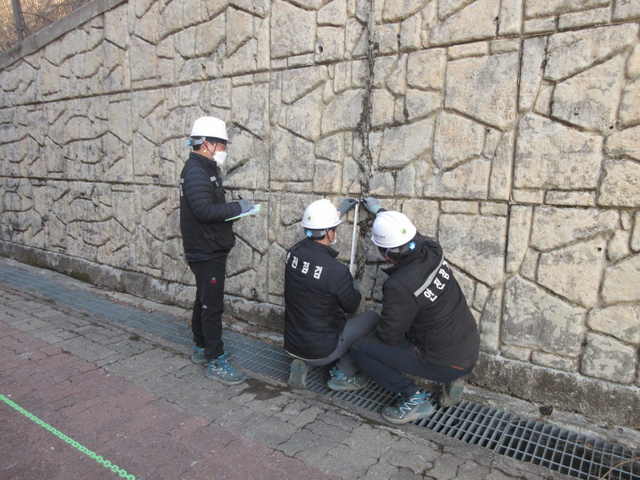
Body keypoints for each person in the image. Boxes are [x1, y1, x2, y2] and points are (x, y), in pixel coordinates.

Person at [351, 198, 480, 424]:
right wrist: (381, 212)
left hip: (445, 362)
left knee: (362, 349)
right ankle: (452, 381)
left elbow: (389, 335)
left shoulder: (399, 286)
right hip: (469, 348)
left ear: (385, 254)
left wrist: (372, 328)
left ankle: (414, 398)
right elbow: (409, 235)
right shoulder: (432, 249)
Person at [179, 116, 252, 385]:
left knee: (203, 298)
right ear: (207, 144)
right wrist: (239, 208)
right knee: (212, 305)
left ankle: (201, 346)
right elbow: (205, 210)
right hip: (206, 250)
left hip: (208, 247)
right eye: (221, 144)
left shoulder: (204, 168)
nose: (223, 149)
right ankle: (215, 360)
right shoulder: (197, 171)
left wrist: (236, 207)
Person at [284, 199, 380, 391]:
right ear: (329, 233)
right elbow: (351, 306)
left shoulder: (293, 253)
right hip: (322, 350)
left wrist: (338, 213)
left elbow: (314, 231)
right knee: (372, 318)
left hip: (292, 344)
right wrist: (351, 284)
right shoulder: (336, 271)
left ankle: (302, 363)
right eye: (333, 229)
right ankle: (342, 373)